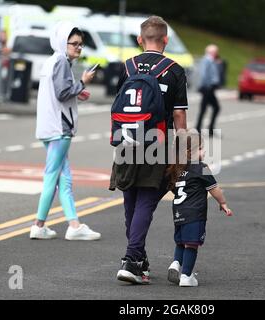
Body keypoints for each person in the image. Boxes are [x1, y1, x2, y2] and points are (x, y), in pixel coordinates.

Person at [109, 16, 188, 284]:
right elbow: (179, 118)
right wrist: (183, 153)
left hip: (125, 141)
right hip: (156, 144)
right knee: (147, 200)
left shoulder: (127, 67)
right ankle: (132, 260)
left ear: (140, 40)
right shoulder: (175, 70)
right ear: (165, 40)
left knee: (130, 200)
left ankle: (137, 258)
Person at [30, 21, 100, 241]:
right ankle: (42, 225)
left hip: (49, 127)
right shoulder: (61, 61)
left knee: (63, 177)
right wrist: (83, 82)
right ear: (63, 43)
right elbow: (61, 93)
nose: (79, 47)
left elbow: (57, 93)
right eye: (75, 44)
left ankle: (72, 224)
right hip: (59, 128)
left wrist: (78, 91)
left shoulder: (53, 61)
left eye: (81, 44)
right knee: (55, 178)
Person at [166, 131, 233, 287]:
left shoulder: (176, 167)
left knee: (181, 242)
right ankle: (186, 276)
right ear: (190, 152)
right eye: (201, 148)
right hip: (194, 213)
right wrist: (223, 202)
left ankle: (175, 263)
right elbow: (214, 188)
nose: (204, 152)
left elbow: (172, 187)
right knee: (191, 244)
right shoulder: (201, 167)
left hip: (178, 212)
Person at [196, 44, 222, 137]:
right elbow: (203, 74)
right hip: (208, 88)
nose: (217, 53)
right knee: (212, 107)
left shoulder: (212, 61)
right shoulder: (206, 60)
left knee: (206, 108)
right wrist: (205, 86)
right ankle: (204, 128)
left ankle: (201, 128)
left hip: (210, 88)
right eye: (215, 52)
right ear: (212, 52)